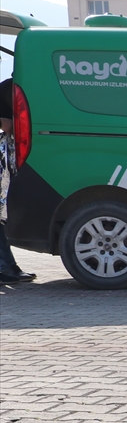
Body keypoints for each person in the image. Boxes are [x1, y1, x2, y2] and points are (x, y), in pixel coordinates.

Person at [0, 78, 35, 283]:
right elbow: (8, 126)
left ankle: (8, 267)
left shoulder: (8, 87)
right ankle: (7, 268)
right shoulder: (7, 89)